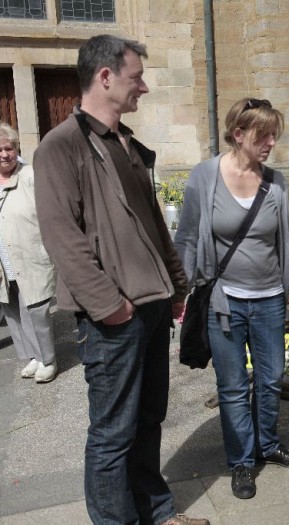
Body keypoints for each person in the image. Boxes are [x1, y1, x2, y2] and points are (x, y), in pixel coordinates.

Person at [33, 35, 208, 525]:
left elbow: (153, 226)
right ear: (105, 76)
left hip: (152, 307)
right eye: (137, 78)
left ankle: (157, 512)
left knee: (148, 421)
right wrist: (110, 306)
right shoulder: (60, 146)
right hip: (113, 318)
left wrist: (177, 287)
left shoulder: (126, 143)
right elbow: (62, 238)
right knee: (112, 434)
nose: (144, 88)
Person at [175, 98, 289, 500]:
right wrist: (178, 292)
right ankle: (242, 462)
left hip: (269, 300)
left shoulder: (276, 182)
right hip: (224, 302)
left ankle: (267, 444)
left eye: (273, 135)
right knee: (233, 386)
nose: (271, 143)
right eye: (262, 135)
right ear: (238, 134)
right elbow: (186, 237)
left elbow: (285, 240)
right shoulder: (205, 176)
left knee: (271, 378)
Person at [0, 123, 58, 383]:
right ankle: (33, 356)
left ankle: (48, 359)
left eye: (9, 148)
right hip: (4, 261)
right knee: (12, 309)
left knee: (35, 309)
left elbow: (52, 211)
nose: (4, 154)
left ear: (16, 149)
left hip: (29, 255)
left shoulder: (31, 176)